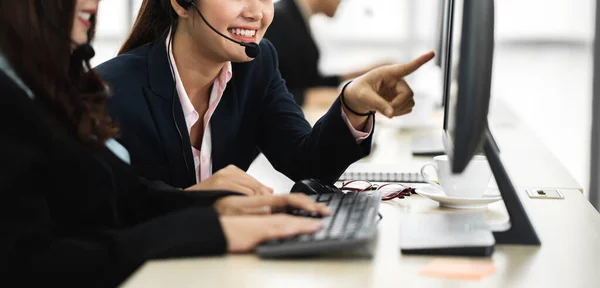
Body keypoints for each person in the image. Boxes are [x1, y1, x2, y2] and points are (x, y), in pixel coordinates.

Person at [0, 0, 332, 285]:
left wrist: (216, 206)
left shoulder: (43, 86)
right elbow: (36, 264)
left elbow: (126, 196)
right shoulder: (92, 92)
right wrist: (211, 230)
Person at [94, 0, 434, 192]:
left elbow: (308, 163)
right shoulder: (109, 92)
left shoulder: (256, 66)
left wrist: (352, 105)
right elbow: (106, 215)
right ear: (183, 4)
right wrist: (195, 200)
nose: (257, 11)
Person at [264, 0, 385, 107]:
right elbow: (262, 91)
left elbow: (305, 79)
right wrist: (306, 98)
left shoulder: (295, 17)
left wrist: (364, 73)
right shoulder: (278, 19)